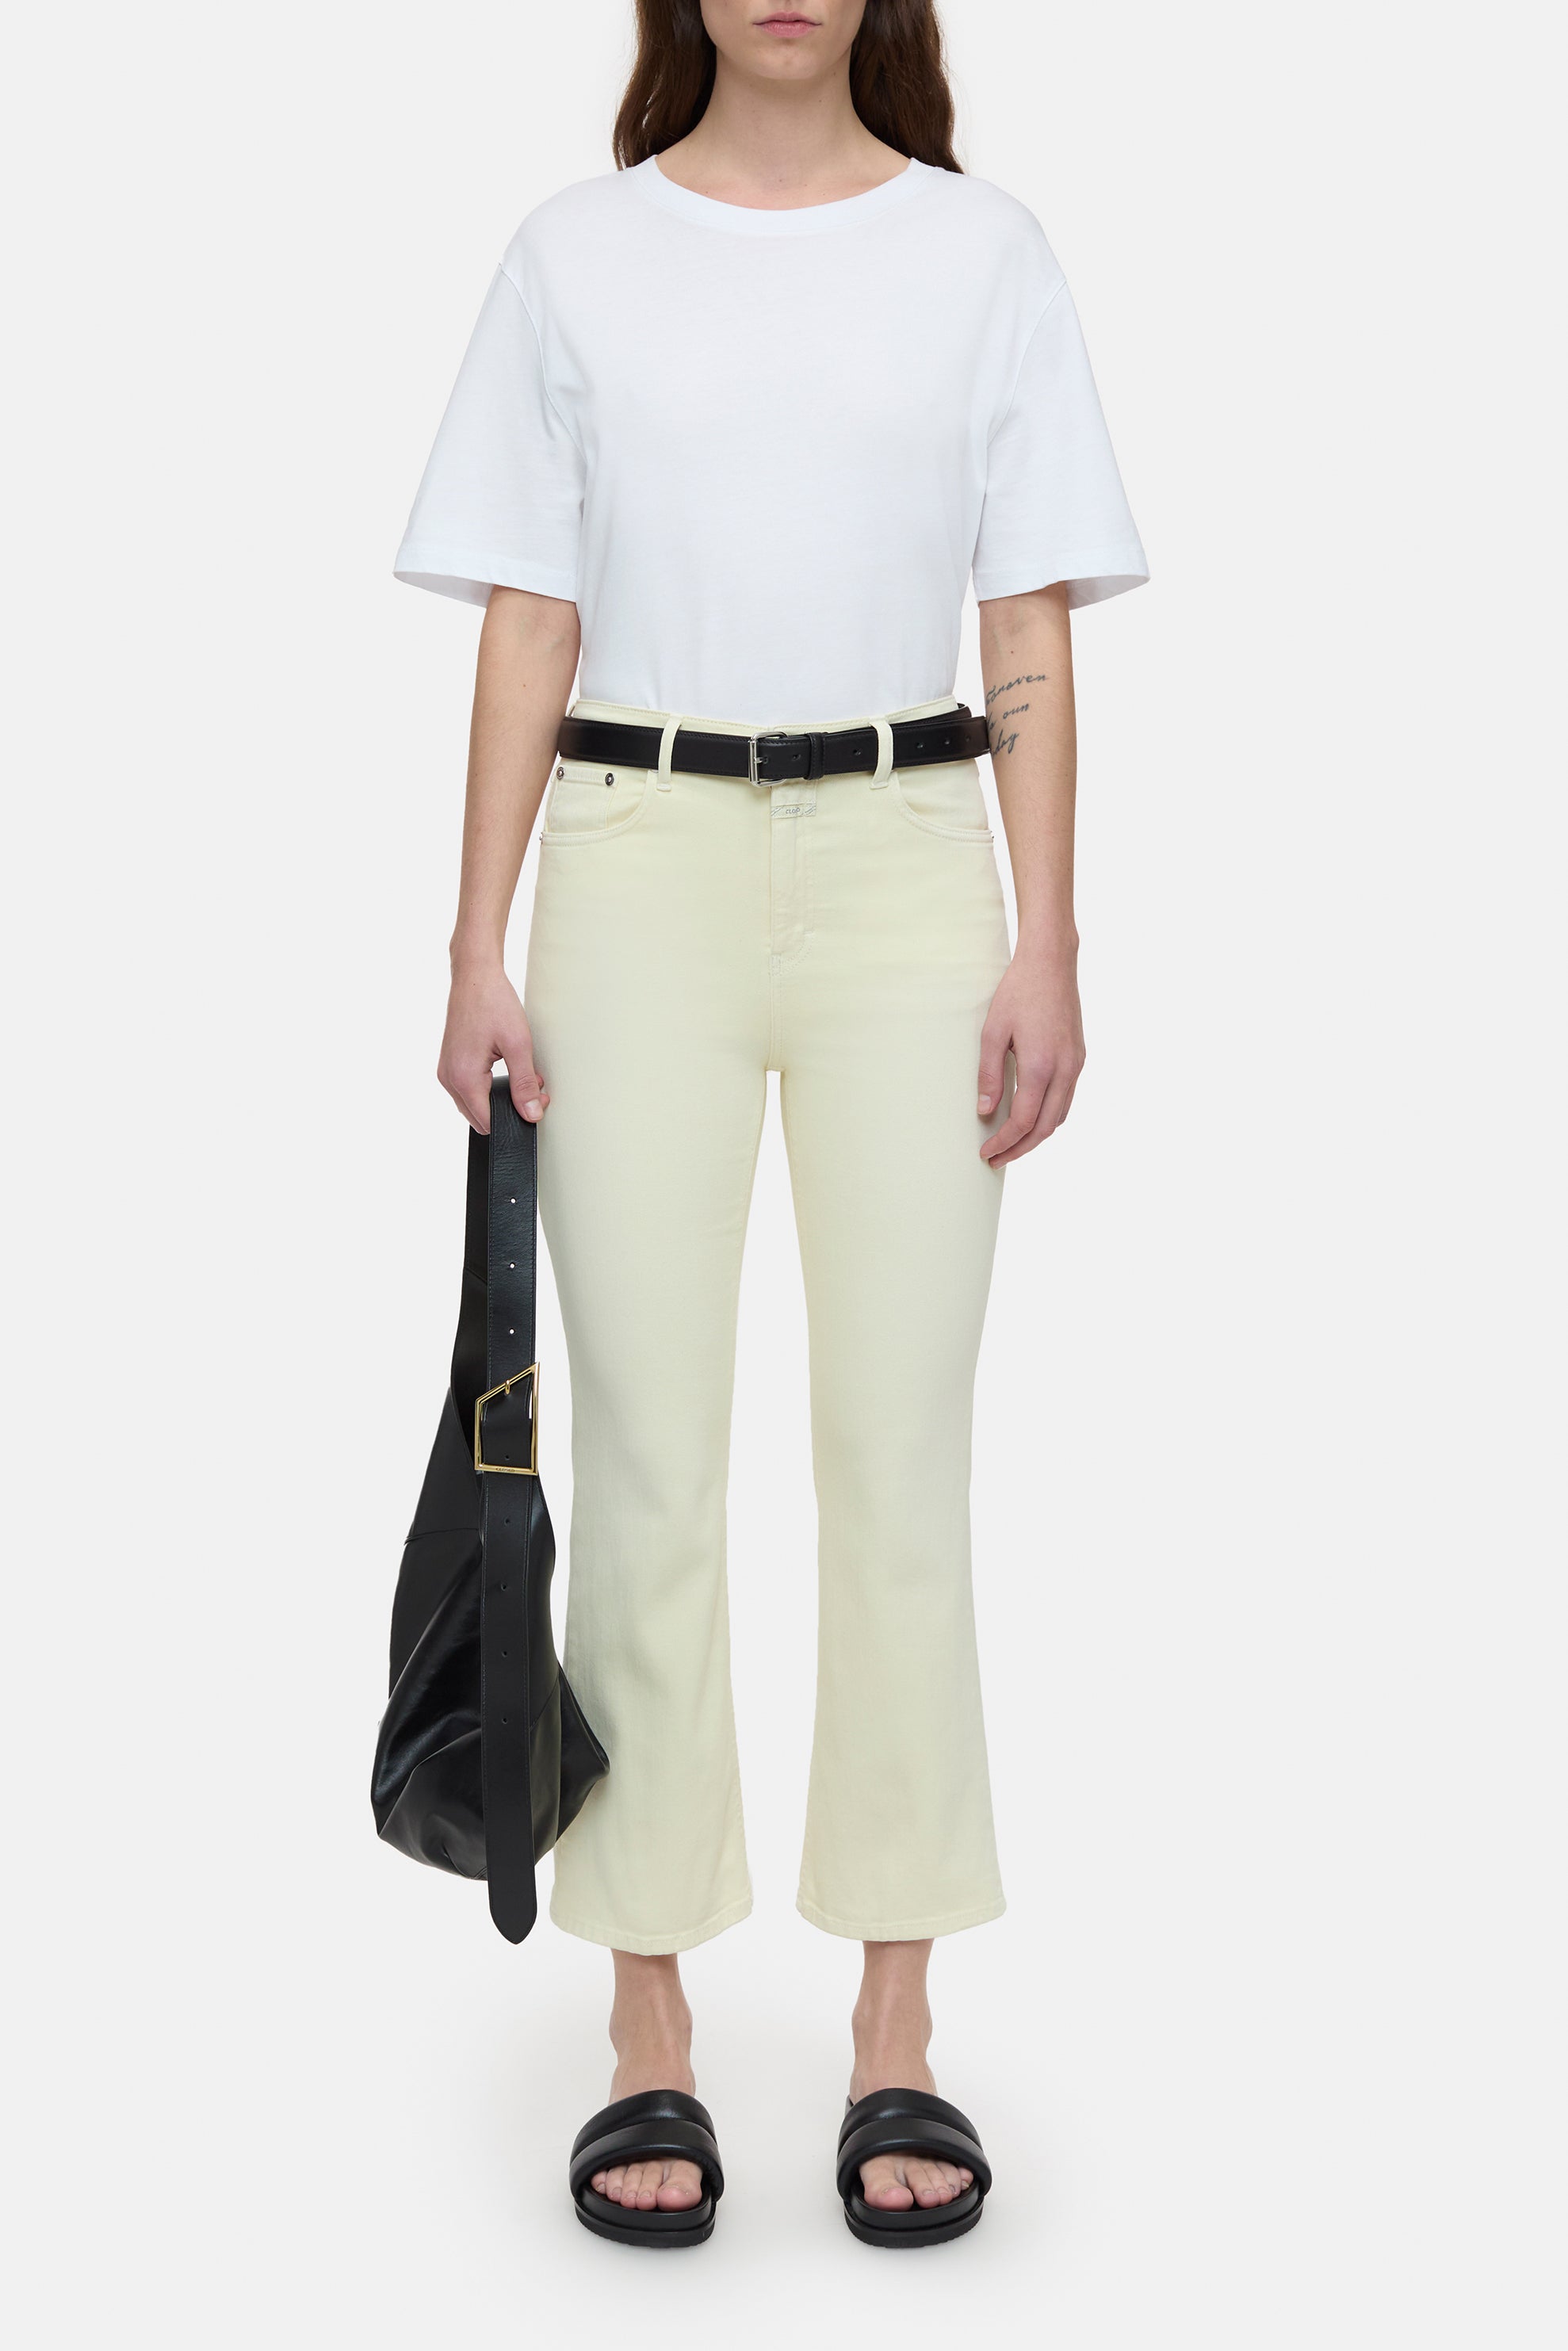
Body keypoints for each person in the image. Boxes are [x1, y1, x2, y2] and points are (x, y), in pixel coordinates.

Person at [393, 0, 1145, 2249]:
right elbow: (532, 613)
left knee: (899, 1453)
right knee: (646, 1457)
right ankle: (648, 2021)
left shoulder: (984, 255)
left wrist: (1047, 938)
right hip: (638, 861)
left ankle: (896, 2015)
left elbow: (1026, 622)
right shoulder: (576, 253)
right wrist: (473, 941)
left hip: (914, 863)